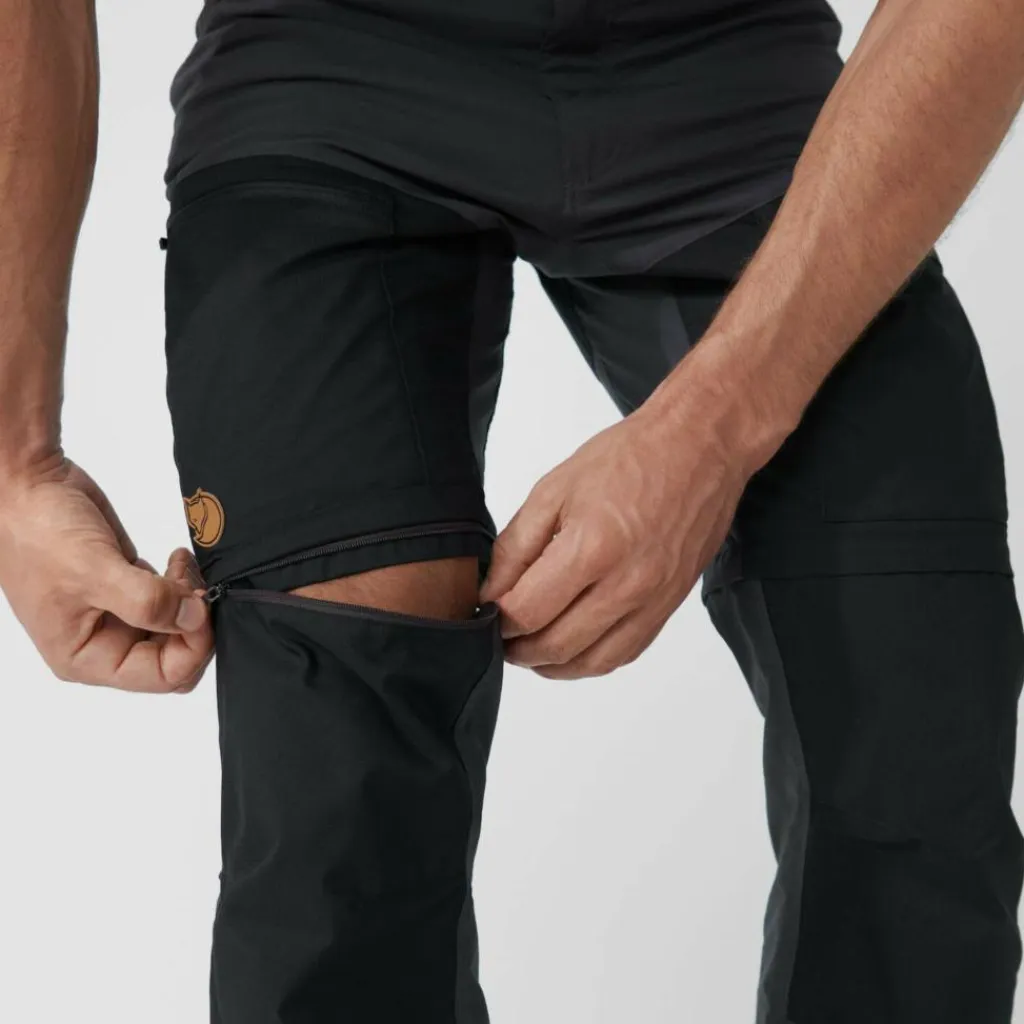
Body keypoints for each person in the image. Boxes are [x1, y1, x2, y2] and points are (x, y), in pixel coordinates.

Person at [1, 0, 1023, 1021]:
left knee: (912, 698)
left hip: (733, 83)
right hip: (329, 78)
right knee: (338, 772)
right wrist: (14, 456)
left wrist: (715, 429)